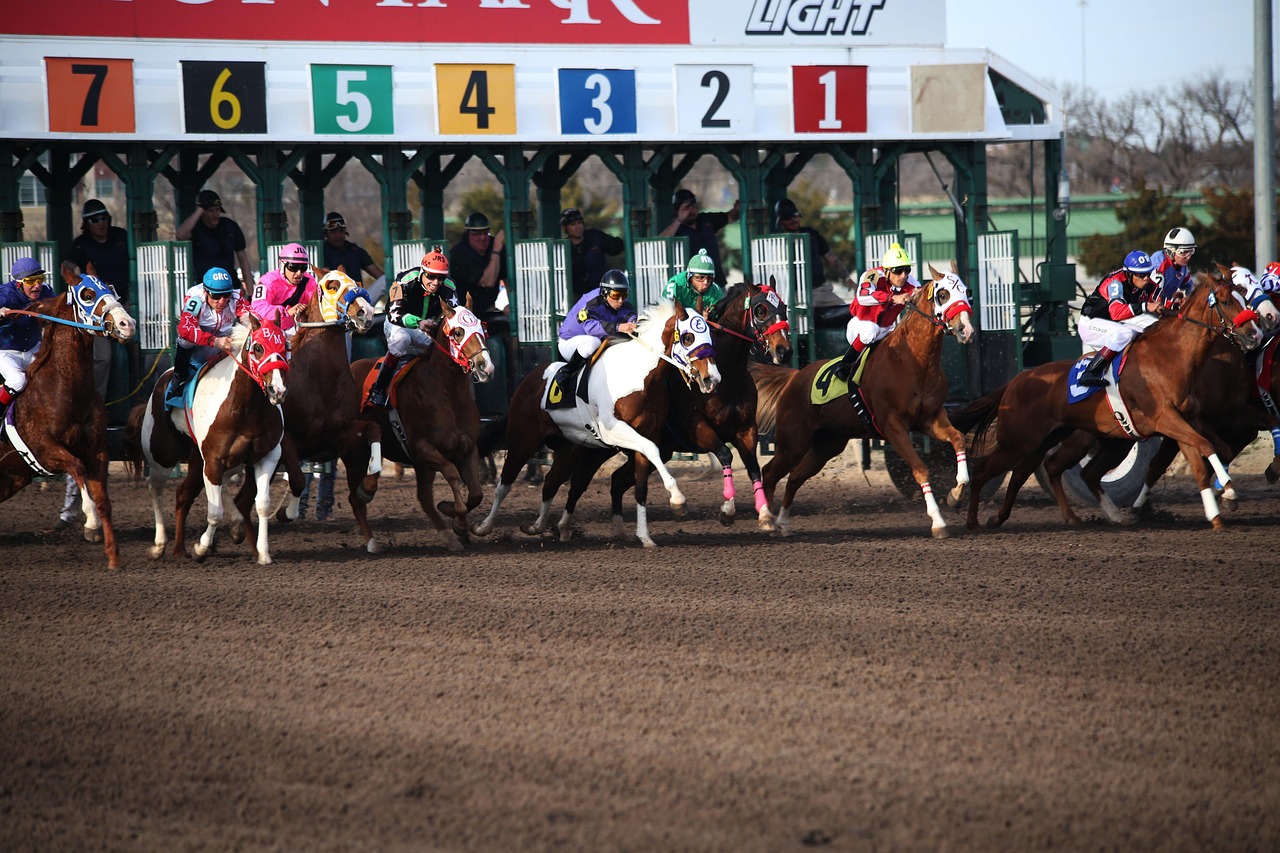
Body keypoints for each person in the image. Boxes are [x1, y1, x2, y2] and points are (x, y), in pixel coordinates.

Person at [365, 248, 458, 411]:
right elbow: (393, 312)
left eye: (441, 277)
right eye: (431, 276)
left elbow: (454, 315)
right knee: (402, 340)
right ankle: (378, 390)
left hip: (428, 327)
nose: (435, 282)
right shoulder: (405, 279)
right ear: (422, 271)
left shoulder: (449, 286)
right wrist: (418, 322)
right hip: (400, 324)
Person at [831, 242, 921, 382]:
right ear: (887, 270)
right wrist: (891, 298)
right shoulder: (872, 275)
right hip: (861, 325)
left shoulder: (909, 281)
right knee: (870, 331)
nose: (903, 276)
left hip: (887, 329)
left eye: (907, 270)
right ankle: (844, 365)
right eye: (898, 271)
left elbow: (923, 296)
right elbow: (863, 296)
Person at [165, 266, 250, 408]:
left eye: (226, 296)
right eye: (216, 296)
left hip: (225, 342)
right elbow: (185, 329)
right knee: (185, 340)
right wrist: (215, 341)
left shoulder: (236, 297)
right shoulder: (195, 299)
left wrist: (249, 325)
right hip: (200, 344)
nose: (222, 302)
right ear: (205, 291)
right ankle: (178, 378)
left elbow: (252, 318)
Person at [1076, 250, 1160, 388]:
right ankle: (1091, 372)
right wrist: (1145, 306)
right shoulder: (1115, 283)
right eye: (1141, 274)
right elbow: (1116, 313)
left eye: (1148, 273)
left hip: (1117, 322)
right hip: (1091, 323)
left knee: (1155, 326)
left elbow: (1155, 304)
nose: (1146, 278)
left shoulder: (1148, 284)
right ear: (1129, 273)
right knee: (1125, 334)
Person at [774, 198, 855, 326]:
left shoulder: (812, 234)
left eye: (795, 216)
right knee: (797, 327)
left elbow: (831, 259)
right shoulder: (777, 242)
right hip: (793, 295)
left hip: (820, 290)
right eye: (788, 218)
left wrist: (847, 278)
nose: (794, 220)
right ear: (781, 222)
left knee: (848, 313)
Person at [555, 269, 638, 387]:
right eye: (615, 295)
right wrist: (619, 327)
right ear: (605, 292)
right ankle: (566, 373)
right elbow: (590, 328)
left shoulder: (621, 301)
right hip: (569, 342)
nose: (620, 300)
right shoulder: (592, 301)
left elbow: (630, 315)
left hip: (594, 341)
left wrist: (634, 323)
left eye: (624, 295)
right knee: (593, 342)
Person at [0, 257, 56, 417]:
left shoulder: (46, 292)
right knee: (18, 381)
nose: (37, 286)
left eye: (40, 280)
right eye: (31, 281)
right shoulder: (5, 296)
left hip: (33, 349)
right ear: (19, 284)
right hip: (6, 352)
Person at [176, 189, 254, 293]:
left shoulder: (230, 227)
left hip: (230, 286)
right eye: (210, 210)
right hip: (205, 289)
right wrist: (200, 209)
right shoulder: (196, 229)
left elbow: (243, 260)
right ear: (202, 212)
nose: (215, 214)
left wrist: (250, 293)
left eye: (217, 210)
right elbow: (180, 235)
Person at [658, 188, 740, 285]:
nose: (691, 211)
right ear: (677, 211)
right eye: (686, 208)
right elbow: (661, 242)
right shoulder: (676, 229)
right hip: (692, 285)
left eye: (693, 207)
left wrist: (737, 209)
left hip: (717, 281)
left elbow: (731, 217)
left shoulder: (706, 220)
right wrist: (679, 220)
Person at [448, 212, 508, 335]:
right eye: (476, 234)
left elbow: (508, 278)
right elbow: (487, 282)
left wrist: (512, 305)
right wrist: (496, 251)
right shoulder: (459, 254)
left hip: (489, 310)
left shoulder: (494, 244)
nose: (482, 238)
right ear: (468, 234)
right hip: (463, 313)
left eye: (485, 233)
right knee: (493, 346)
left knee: (510, 328)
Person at [251, 243, 318, 337]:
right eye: (293, 267)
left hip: (294, 330)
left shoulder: (309, 281)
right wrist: (287, 312)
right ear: (283, 265)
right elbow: (258, 309)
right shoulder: (268, 281)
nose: (299, 273)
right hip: (267, 332)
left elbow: (318, 304)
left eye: (303, 268)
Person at [561, 207, 625, 299]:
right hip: (578, 297)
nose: (578, 227)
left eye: (579, 223)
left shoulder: (595, 236)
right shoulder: (563, 248)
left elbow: (618, 247)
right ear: (565, 228)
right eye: (573, 224)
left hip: (603, 293)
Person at [320, 210, 384, 287]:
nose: (338, 235)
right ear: (326, 234)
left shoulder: (355, 250)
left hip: (359, 295)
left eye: (341, 231)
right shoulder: (322, 252)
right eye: (333, 232)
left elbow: (379, 275)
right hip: (337, 296)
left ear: (345, 231)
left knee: (384, 280)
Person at [660, 249, 725, 313]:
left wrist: (710, 318)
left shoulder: (716, 292)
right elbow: (668, 315)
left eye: (709, 278)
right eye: (700, 277)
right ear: (690, 276)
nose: (705, 282)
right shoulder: (676, 285)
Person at [1149, 226, 1197, 311]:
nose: (1188, 257)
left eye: (1191, 252)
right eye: (1183, 252)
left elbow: (1190, 288)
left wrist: (1188, 299)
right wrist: (1174, 305)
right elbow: (1153, 297)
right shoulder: (1159, 263)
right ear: (1170, 251)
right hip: (1147, 308)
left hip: (1163, 308)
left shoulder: (1183, 268)